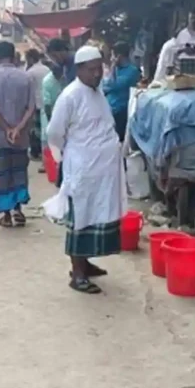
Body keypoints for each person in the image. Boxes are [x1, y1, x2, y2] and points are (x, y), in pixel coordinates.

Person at [45, 45, 125, 294]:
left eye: (99, 69)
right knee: (81, 219)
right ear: (79, 69)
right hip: (82, 168)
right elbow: (54, 133)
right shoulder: (70, 96)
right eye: (91, 70)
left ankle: (86, 264)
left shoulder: (98, 92)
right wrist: (64, 158)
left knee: (97, 216)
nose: (97, 74)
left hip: (103, 170)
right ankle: (77, 273)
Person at [0, 41, 35, 227]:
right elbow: (31, 107)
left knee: (1, 175)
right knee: (19, 172)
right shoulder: (25, 78)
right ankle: (18, 209)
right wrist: (18, 128)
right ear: (14, 56)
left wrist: (6, 128)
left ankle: (6, 215)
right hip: (20, 137)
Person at [102, 41, 141, 142]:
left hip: (121, 111)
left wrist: (113, 67)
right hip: (109, 110)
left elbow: (112, 85)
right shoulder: (116, 70)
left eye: (112, 56)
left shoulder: (132, 71)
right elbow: (104, 86)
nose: (111, 59)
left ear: (118, 56)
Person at [25, 48, 50, 161]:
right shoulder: (46, 69)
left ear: (30, 59)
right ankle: (45, 153)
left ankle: (36, 152)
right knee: (45, 129)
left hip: (35, 104)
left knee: (35, 130)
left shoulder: (30, 72)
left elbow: (27, 89)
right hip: (46, 102)